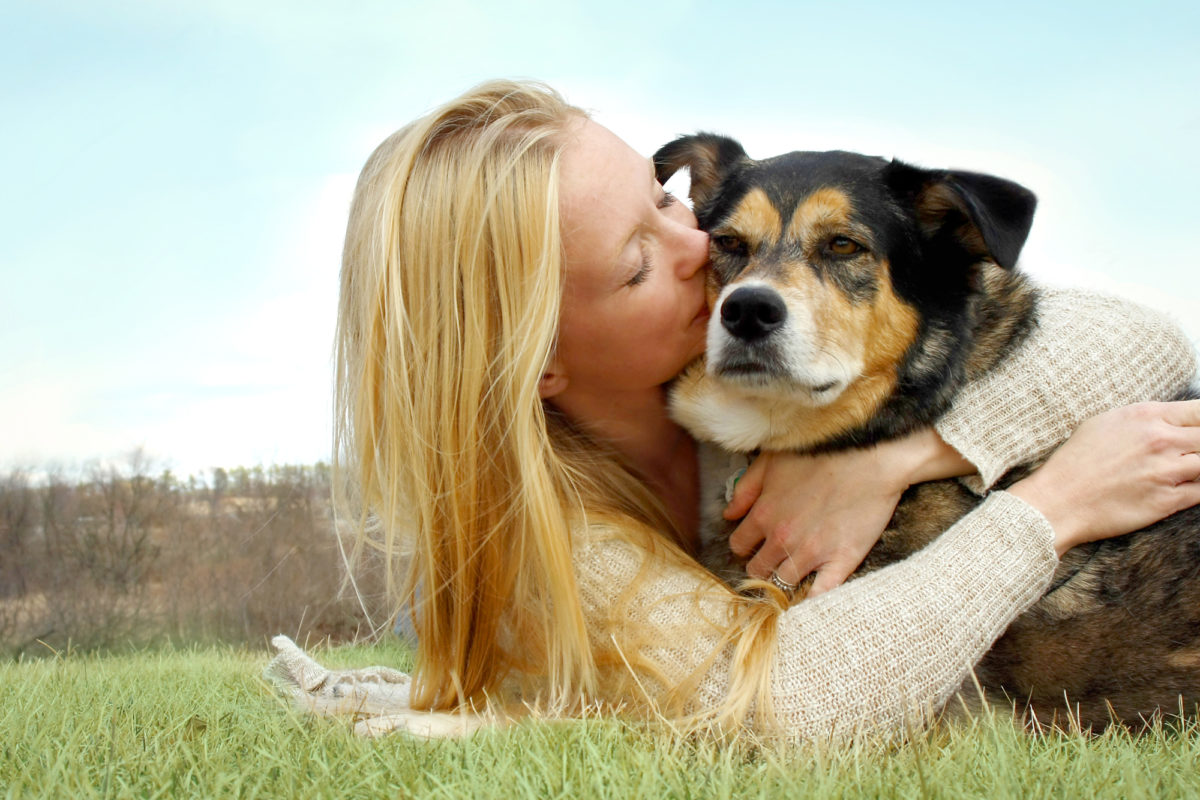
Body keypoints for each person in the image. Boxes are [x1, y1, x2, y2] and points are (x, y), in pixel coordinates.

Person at [319, 80, 1200, 741]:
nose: (714, 255)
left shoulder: (780, 397)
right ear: (537, 361)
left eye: (666, 200)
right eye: (637, 263)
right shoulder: (552, 536)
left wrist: (907, 455)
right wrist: (1050, 510)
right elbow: (787, 708)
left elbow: (1147, 338)